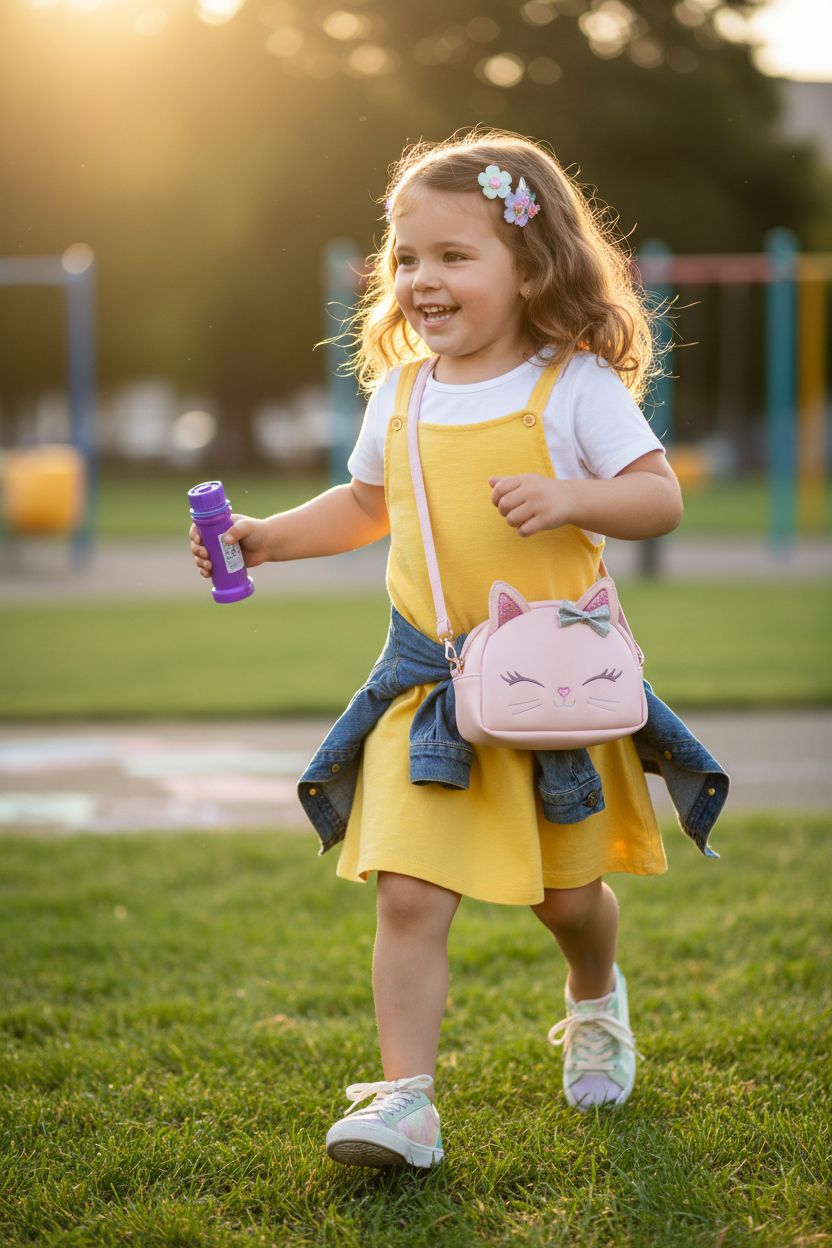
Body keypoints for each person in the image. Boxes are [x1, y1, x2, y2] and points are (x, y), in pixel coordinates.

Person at [189, 128, 727, 1171]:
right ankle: (407, 1102)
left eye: (452, 255)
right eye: (406, 258)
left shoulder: (571, 387)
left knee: (567, 901)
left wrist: (574, 497)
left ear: (528, 265)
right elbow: (365, 504)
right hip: (428, 687)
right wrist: (266, 539)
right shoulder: (403, 392)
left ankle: (594, 995)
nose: (421, 279)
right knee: (406, 891)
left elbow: (657, 498)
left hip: (550, 689)